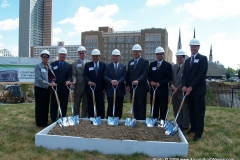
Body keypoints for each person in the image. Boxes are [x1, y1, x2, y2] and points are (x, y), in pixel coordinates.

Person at [182, 38, 208, 141]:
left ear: (198, 47)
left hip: (198, 91)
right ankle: (193, 128)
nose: (193, 48)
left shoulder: (203, 59)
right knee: (191, 111)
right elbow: (184, 75)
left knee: (199, 112)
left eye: (195, 46)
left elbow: (201, 74)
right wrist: (184, 86)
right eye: (191, 46)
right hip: (188, 91)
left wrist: (191, 87)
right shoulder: (188, 60)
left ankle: (198, 133)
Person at [148, 47, 172, 126]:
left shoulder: (167, 65)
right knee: (154, 104)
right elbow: (149, 75)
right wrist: (151, 81)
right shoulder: (152, 64)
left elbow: (168, 77)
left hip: (163, 89)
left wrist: (160, 83)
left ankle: (162, 120)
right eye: (157, 54)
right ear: (156, 55)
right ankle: (154, 119)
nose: (159, 56)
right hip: (154, 89)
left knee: (163, 106)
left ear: (163, 55)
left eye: (160, 54)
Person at [126, 44, 149, 120]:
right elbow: (128, 74)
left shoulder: (145, 61)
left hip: (141, 88)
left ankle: (141, 121)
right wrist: (128, 85)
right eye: (134, 51)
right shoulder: (130, 62)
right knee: (134, 104)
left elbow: (145, 73)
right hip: (133, 88)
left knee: (141, 106)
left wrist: (138, 80)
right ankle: (135, 119)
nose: (135, 53)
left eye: (137, 51)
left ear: (140, 52)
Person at [34, 50, 56, 127]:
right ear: (41, 57)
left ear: (49, 58)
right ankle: (39, 123)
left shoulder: (50, 67)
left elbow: (53, 76)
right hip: (40, 89)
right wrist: (49, 84)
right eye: (44, 57)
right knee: (40, 106)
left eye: (47, 57)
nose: (45, 58)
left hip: (47, 89)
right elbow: (38, 79)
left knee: (46, 105)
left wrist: (53, 82)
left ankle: (45, 122)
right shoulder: (38, 66)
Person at [50, 47, 72, 122]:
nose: (62, 56)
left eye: (64, 54)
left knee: (64, 104)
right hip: (55, 88)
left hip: (64, 88)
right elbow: (49, 75)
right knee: (54, 103)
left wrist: (69, 80)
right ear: (58, 55)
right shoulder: (52, 64)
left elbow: (70, 76)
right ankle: (53, 119)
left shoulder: (68, 66)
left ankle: (62, 117)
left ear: (66, 56)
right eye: (61, 54)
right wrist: (51, 82)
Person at [169, 49, 189, 131]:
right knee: (176, 109)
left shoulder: (186, 67)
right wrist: (172, 86)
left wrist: (178, 88)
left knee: (184, 109)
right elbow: (170, 78)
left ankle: (185, 125)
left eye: (180, 57)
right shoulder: (173, 67)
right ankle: (178, 123)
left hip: (182, 92)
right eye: (177, 57)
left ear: (184, 58)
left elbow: (186, 79)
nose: (179, 59)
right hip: (174, 92)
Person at [104, 49, 126, 119]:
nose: (115, 57)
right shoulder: (108, 66)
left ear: (119, 57)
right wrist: (111, 81)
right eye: (113, 56)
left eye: (117, 56)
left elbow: (124, 76)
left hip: (120, 90)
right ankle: (109, 118)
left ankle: (118, 119)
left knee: (119, 105)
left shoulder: (123, 66)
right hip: (110, 89)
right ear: (111, 57)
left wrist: (118, 82)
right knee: (110, 105)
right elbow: (105, 76)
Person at [83, 49, 106, 119]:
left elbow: (105, 76)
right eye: (94, 56)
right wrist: (89, 82)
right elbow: (85, 75)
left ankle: (101, 117)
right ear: (92, 57)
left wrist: (104, 88)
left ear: (99, 56)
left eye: (97, 56)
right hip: (90, 88)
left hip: (100, 89)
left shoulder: (103, 65)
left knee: (100, 104)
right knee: (90, 104)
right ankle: (91, 117)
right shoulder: (87, 65)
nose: (95, 57)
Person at [72, 46, 89, 118]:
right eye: (80, 53)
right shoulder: (75, 63)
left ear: (85, 53)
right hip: (78, 86)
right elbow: (74, 74)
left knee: (86, 102)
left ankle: (84, 116)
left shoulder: (89, 63)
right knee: (77, 102)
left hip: (87, 86)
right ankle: (76, 116)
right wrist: (74, 81)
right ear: (78, 54)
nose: (82, 54)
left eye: (83, 53)